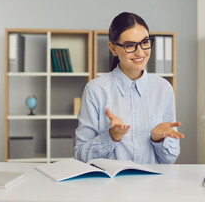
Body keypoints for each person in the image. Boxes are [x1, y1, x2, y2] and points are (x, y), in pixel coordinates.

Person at [74, 12, 184, 164]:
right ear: (113, 48)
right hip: (108, 185)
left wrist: (158, 140)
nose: (140, 52)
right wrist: (112, 136)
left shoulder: (163, 88)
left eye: (145, 42)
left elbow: (169, 159)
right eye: (130, 45)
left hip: (152, 185)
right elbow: (80, 155)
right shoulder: (95, 90)